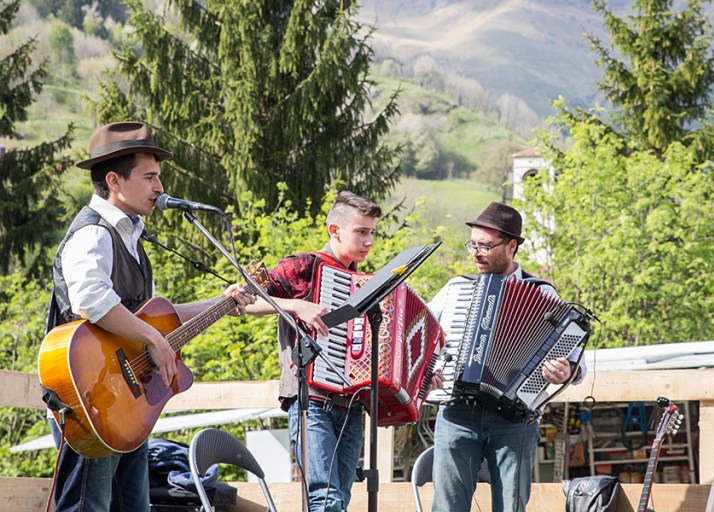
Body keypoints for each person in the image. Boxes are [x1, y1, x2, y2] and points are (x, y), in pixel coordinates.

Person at [45, 121, 254, 512]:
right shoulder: (93, 234)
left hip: (128, 404)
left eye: (159, 177)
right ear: (114, 180)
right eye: (150, 177)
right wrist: (155, 340)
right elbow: (91, 299)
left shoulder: (131, 235)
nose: (160, 188)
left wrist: (220, 302)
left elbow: (152, 318)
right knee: (86, 507)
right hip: (90, 396)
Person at [245, 191, 442, 511]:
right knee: (325, 497)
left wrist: (421, 377)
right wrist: (296, 306)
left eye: (372, 233)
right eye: (361, 232)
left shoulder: (370, 282)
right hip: (311, 400)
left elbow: (388, 348)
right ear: (334, 230)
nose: (369, 241)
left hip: (351, 405)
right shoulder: (302, 265)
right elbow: (244, 302)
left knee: (342, 498)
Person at [428, 201, 587, 512]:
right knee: (447, 507)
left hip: (513, 419)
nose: (475, 253)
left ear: (511, 246)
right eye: (472, 244)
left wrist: (565, 372)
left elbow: (578, 363)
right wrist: (430, 371)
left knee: (511, 508)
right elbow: (423, 339)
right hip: (457, 413)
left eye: (485, 246)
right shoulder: (455, 289)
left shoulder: (543, 295)